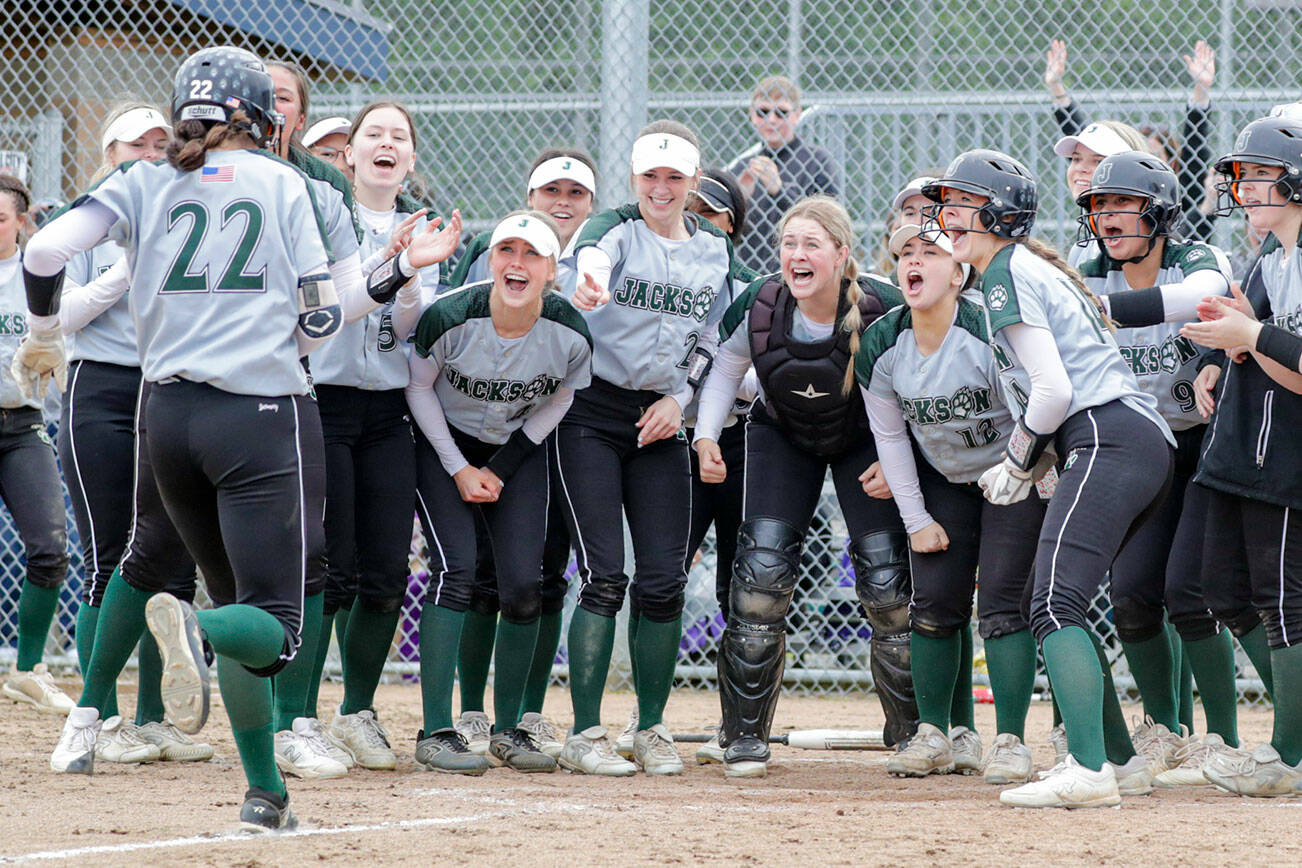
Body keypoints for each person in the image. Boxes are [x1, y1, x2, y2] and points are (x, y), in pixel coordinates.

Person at [20, 45, 345, 832]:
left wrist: (41, 331)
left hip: (163, 413)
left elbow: (41, 252)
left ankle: (265, 796)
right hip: (257, 416)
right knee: (272, 624)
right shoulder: (283, 180)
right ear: (257, 119)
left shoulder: (142, 177)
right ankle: (193, 633)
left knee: (228, 591)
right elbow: (322, 310)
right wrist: (287, 335)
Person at [922, 149, 1176, 809]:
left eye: (960, 204)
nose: (946, 217)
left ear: (996, 213)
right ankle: (1120, 763)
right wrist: (1035, 458)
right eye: (945, 204)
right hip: (1127, 439)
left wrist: (1017, 459)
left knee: (1053, 603)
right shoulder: (1016, 268)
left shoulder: (1006, 268)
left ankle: (1088, 771)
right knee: (1055, 596)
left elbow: (1054, 390)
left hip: (1106, 435)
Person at [693, 195, 914, 778]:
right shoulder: (764, 301)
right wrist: (707, 435)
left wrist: (901, 459)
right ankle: (742, 734)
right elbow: (725, 365)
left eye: (812, 244)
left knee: (889, 584)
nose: (796, 255)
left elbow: (923, 383)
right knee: (760, 581)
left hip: (868, 438)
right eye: (789, 243)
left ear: (843, 255)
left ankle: (914, 732)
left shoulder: (881, 307)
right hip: (782, 434)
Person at [557, 120, 738, 776]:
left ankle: (652, 727)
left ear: (693, 183)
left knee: (664, 580)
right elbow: (592, 256)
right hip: (592, 413)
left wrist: (682, 400)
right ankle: (584, 733)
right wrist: (592, 281)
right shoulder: (612, 227)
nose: (660, 189)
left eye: (674, 178)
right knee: (605, 576)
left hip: (662, 417)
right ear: (633, 179)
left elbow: (720, 334)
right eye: (649, 177)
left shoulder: (714, 249)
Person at [51, 103, 216, 766]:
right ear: (108, 152)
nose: (149, 151)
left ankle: (154, 718)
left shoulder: (185, 213)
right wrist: (129, 268)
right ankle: (105, 718)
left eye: (159, 141)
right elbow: (58, 312)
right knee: (111, 558)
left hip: (167, 390)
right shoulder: (87, 221)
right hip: (101, 389)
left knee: (170, 564)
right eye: (133, 143)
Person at [1075, 150, 1246, 785]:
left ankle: (1225, 739)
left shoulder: (1194, 259)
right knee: (1132, 595)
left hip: (1202, 444)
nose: (1109, 219)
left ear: (1161, 212)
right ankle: (1166, 731)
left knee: (1190, 593)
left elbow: (1205, 297)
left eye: (1123, 205)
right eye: (1099, 206)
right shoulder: (1088, 270)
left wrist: (1110, 313)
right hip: (1137, 448)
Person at [856, 223, 1046, 784]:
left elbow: (1029, 410)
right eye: (904, 254)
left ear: (959, 270)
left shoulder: (986, 326)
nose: (913, 263)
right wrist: (915, 519)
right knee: (935, 605)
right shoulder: (882, 343)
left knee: (1004, 607)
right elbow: (890, 437)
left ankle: (1010, 741)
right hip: (943, 478)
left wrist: (1028, 477)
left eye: (929, 252)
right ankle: (937, 734)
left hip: (1013, 469)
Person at [407, 211, 591, 774]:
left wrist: (507, 464)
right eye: (507, 251)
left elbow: (564, 394)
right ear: (490, 262)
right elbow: (417, 389)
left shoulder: (569, 328)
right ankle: (436, 730)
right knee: (456, 571)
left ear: (551, 269)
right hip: (444, 443)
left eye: (532, 254)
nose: (517, 263)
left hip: (516, 449)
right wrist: (460, 467)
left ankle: (510, 730)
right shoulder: (450, 315)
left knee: (523, 583)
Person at [313, 100, 457, 774]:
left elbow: (409, 332)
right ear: (349, 154)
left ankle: (357, 712)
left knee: (387, 574)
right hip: (325, 402)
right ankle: (300, 716)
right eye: (374, 134)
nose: (387, 144)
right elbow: (322, 311)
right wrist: (390, 267)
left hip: (388, 412)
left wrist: (410, 273)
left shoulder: (419, 227)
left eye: (399, 136)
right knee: (328, 571)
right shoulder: (324, 217)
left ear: (412, 157)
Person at [443, 147, 597, 759]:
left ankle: (527, 712)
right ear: (530, 199)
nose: (562, 203)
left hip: (573, 428)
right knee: (484, 572)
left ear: (589, 203)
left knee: (545, 575)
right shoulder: (499, 252)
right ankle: (477, 711)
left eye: (575, 193)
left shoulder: (603, 252)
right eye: (550, 191)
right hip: (499, 429)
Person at [1169, 116, 1302, 796]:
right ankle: (1294, 726)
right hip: (1244, 448)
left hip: (1285, 455)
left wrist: (1250, 335)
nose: (1243, 189)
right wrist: (1221, 355)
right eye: (1241, 177)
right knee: (1221, 588)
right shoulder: (1271, 257)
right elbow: (1253, 340)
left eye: (1257, 175)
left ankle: (1290, 754)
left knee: (1284, 602)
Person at [0, 174, 74, 718]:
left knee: (49, 549)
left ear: (24, 223)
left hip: (21, 425)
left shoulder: (39, 277)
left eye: (1, 218)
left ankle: (26, 670)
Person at [1044, 39, 1218, 241]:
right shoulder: (1094, 225)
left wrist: (1201, 89)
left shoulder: (1155, 213)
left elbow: (1194, 145)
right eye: (1075, 160)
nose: (1082, 168)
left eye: (1099, 162)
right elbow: (1083, 144)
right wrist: (1056, 87)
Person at [727, 76, 838, 273]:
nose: (771, 120)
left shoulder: (817, 161)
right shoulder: (744, 166)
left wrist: (779, 191)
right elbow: (730, 231)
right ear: (752, 115)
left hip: (803, 271)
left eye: (781, 112)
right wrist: (737, 199)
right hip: (751, 273)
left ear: (797, 115)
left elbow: (830, 222)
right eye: (763, 112)